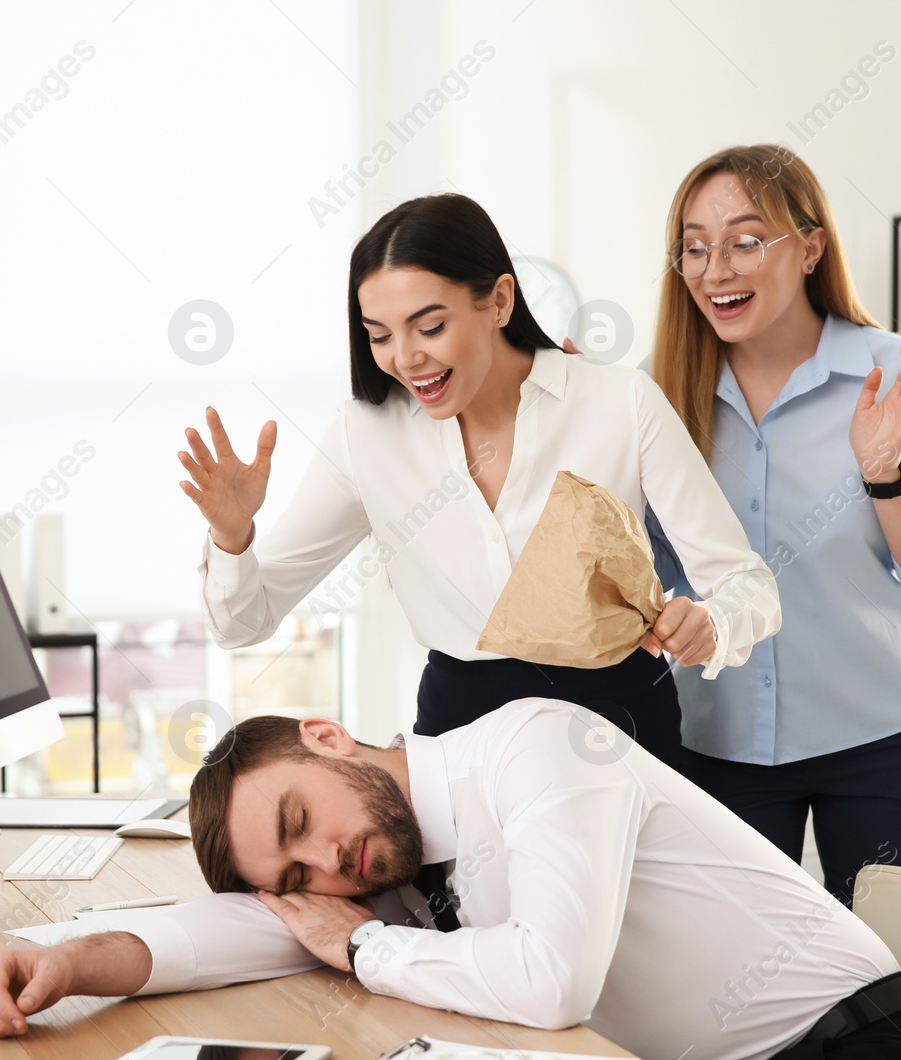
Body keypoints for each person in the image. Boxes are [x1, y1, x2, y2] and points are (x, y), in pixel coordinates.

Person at [0, 700, 901, 1060]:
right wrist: (70, 961)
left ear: (328, 735)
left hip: (842, 1045)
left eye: (302, 823)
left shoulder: (538, 744)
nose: (324, 866)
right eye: (296, 869)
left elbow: (554, 979)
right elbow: (260, 928)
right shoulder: (386, 870)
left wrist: (362, 945)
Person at [178, 193, 781, 769]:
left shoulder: (619, 402)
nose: (405, 358)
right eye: (380, 334)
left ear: (498, 301)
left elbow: (746, 584)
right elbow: (242, 624)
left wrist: (713, 623)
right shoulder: (366, 433)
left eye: (429, 327)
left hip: (615, 727)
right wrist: (233, 537)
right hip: (461, 735)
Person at [643, 144, 901, 905]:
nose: (715, 268)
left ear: (810, 247)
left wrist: (884, 473)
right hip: (714, 736)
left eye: (744, 240)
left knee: (890, 980)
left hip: (882, 738)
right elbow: (646, 564)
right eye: (695, 247)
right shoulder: (652, 393)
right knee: (739, 989)